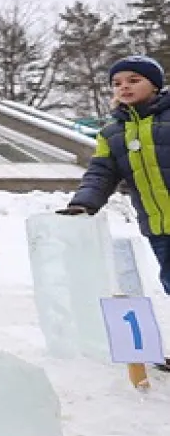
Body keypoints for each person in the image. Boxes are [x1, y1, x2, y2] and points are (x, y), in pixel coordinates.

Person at [58, 55, 169, 369]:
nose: (125, 87)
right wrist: (84, 202)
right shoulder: (111, 133)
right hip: (158, 225)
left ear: (155, 84)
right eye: (118, 83)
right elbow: (101, 173)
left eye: (134, 80)